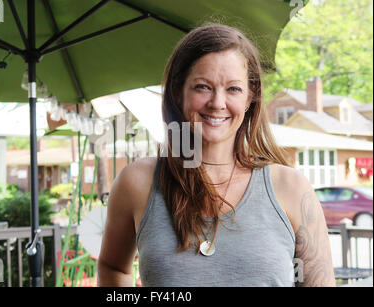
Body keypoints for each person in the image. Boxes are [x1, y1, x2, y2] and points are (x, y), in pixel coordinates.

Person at [97, 23, 335, 287]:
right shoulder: (137, 182)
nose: (217, 103)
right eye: (202, 87)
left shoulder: (292, 188)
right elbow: (113, 268)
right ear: (178, 92)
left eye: (233, 89)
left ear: (249, 98)